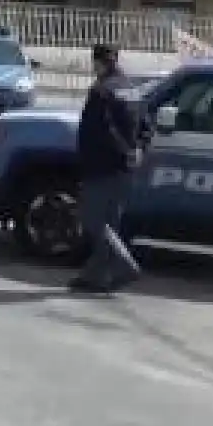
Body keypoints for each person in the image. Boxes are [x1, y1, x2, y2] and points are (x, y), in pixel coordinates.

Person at [68, 42, 146, 294]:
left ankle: (124, 266)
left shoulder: (101, 91)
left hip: (101, 165)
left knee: (91, 220)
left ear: (98, 62)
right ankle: (97, 277)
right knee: (110, 224)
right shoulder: (131, 89)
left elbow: (99, 131)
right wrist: (137, 150)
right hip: (125, 169)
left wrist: (85, 162)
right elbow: (146, 124)